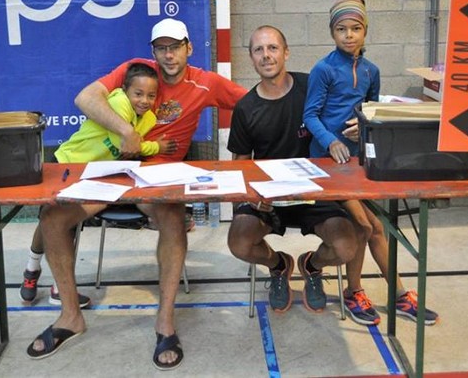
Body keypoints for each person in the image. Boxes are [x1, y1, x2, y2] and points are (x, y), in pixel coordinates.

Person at [26, 18, 247, 369]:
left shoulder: (206, 82)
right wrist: (126, 131)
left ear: (189, 48)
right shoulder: (136, 71)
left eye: (175, 47)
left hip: (158, 176)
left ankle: (165, 322)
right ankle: (70, 316)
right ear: (153, 52)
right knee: (53, 218)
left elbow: (254, 104)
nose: (169, 54)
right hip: (113, 170)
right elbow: (85, 97)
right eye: (162, 48)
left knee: (173, 218)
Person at [303, 0, 439, 326]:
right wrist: (332, 140)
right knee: (367, 226)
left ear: (365, 31)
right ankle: (357, 291)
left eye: (355, 28)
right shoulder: (323, 69)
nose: (348, 35)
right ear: (332, 33)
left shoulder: (371, 71)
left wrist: (363, 127)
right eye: (341, 29)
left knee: (375, 228)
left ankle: (397, 294)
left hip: (358, 163)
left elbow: (371, 112)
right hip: (326, 165)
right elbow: (310, 115)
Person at [226, 25, 364, 314]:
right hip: (271, 199)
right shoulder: (245, 108)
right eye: (258, 50)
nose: (266, 55)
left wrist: (358, 127)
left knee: (345, 246)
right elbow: (241, 165)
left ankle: (311, 265)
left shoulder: (311, 87)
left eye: (273, 48)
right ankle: (279, 265)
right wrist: (252, 198)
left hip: (315, 193)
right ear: (251, 58)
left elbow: (343, 120)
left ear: (286, 52)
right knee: (239, 242)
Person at [20, 62, 177, 307]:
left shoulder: (148, 118)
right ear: (124, 90)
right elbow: (123, 143)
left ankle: (59, 287)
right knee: (49, 221)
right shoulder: (118, 103)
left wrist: (140, 146)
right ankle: (32, 269)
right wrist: (157, 147)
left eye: (151, 95)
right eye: (138, 94)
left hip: (97, 176)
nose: (144, 100)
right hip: (68, 165)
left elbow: (133, 148)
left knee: (67, 225)